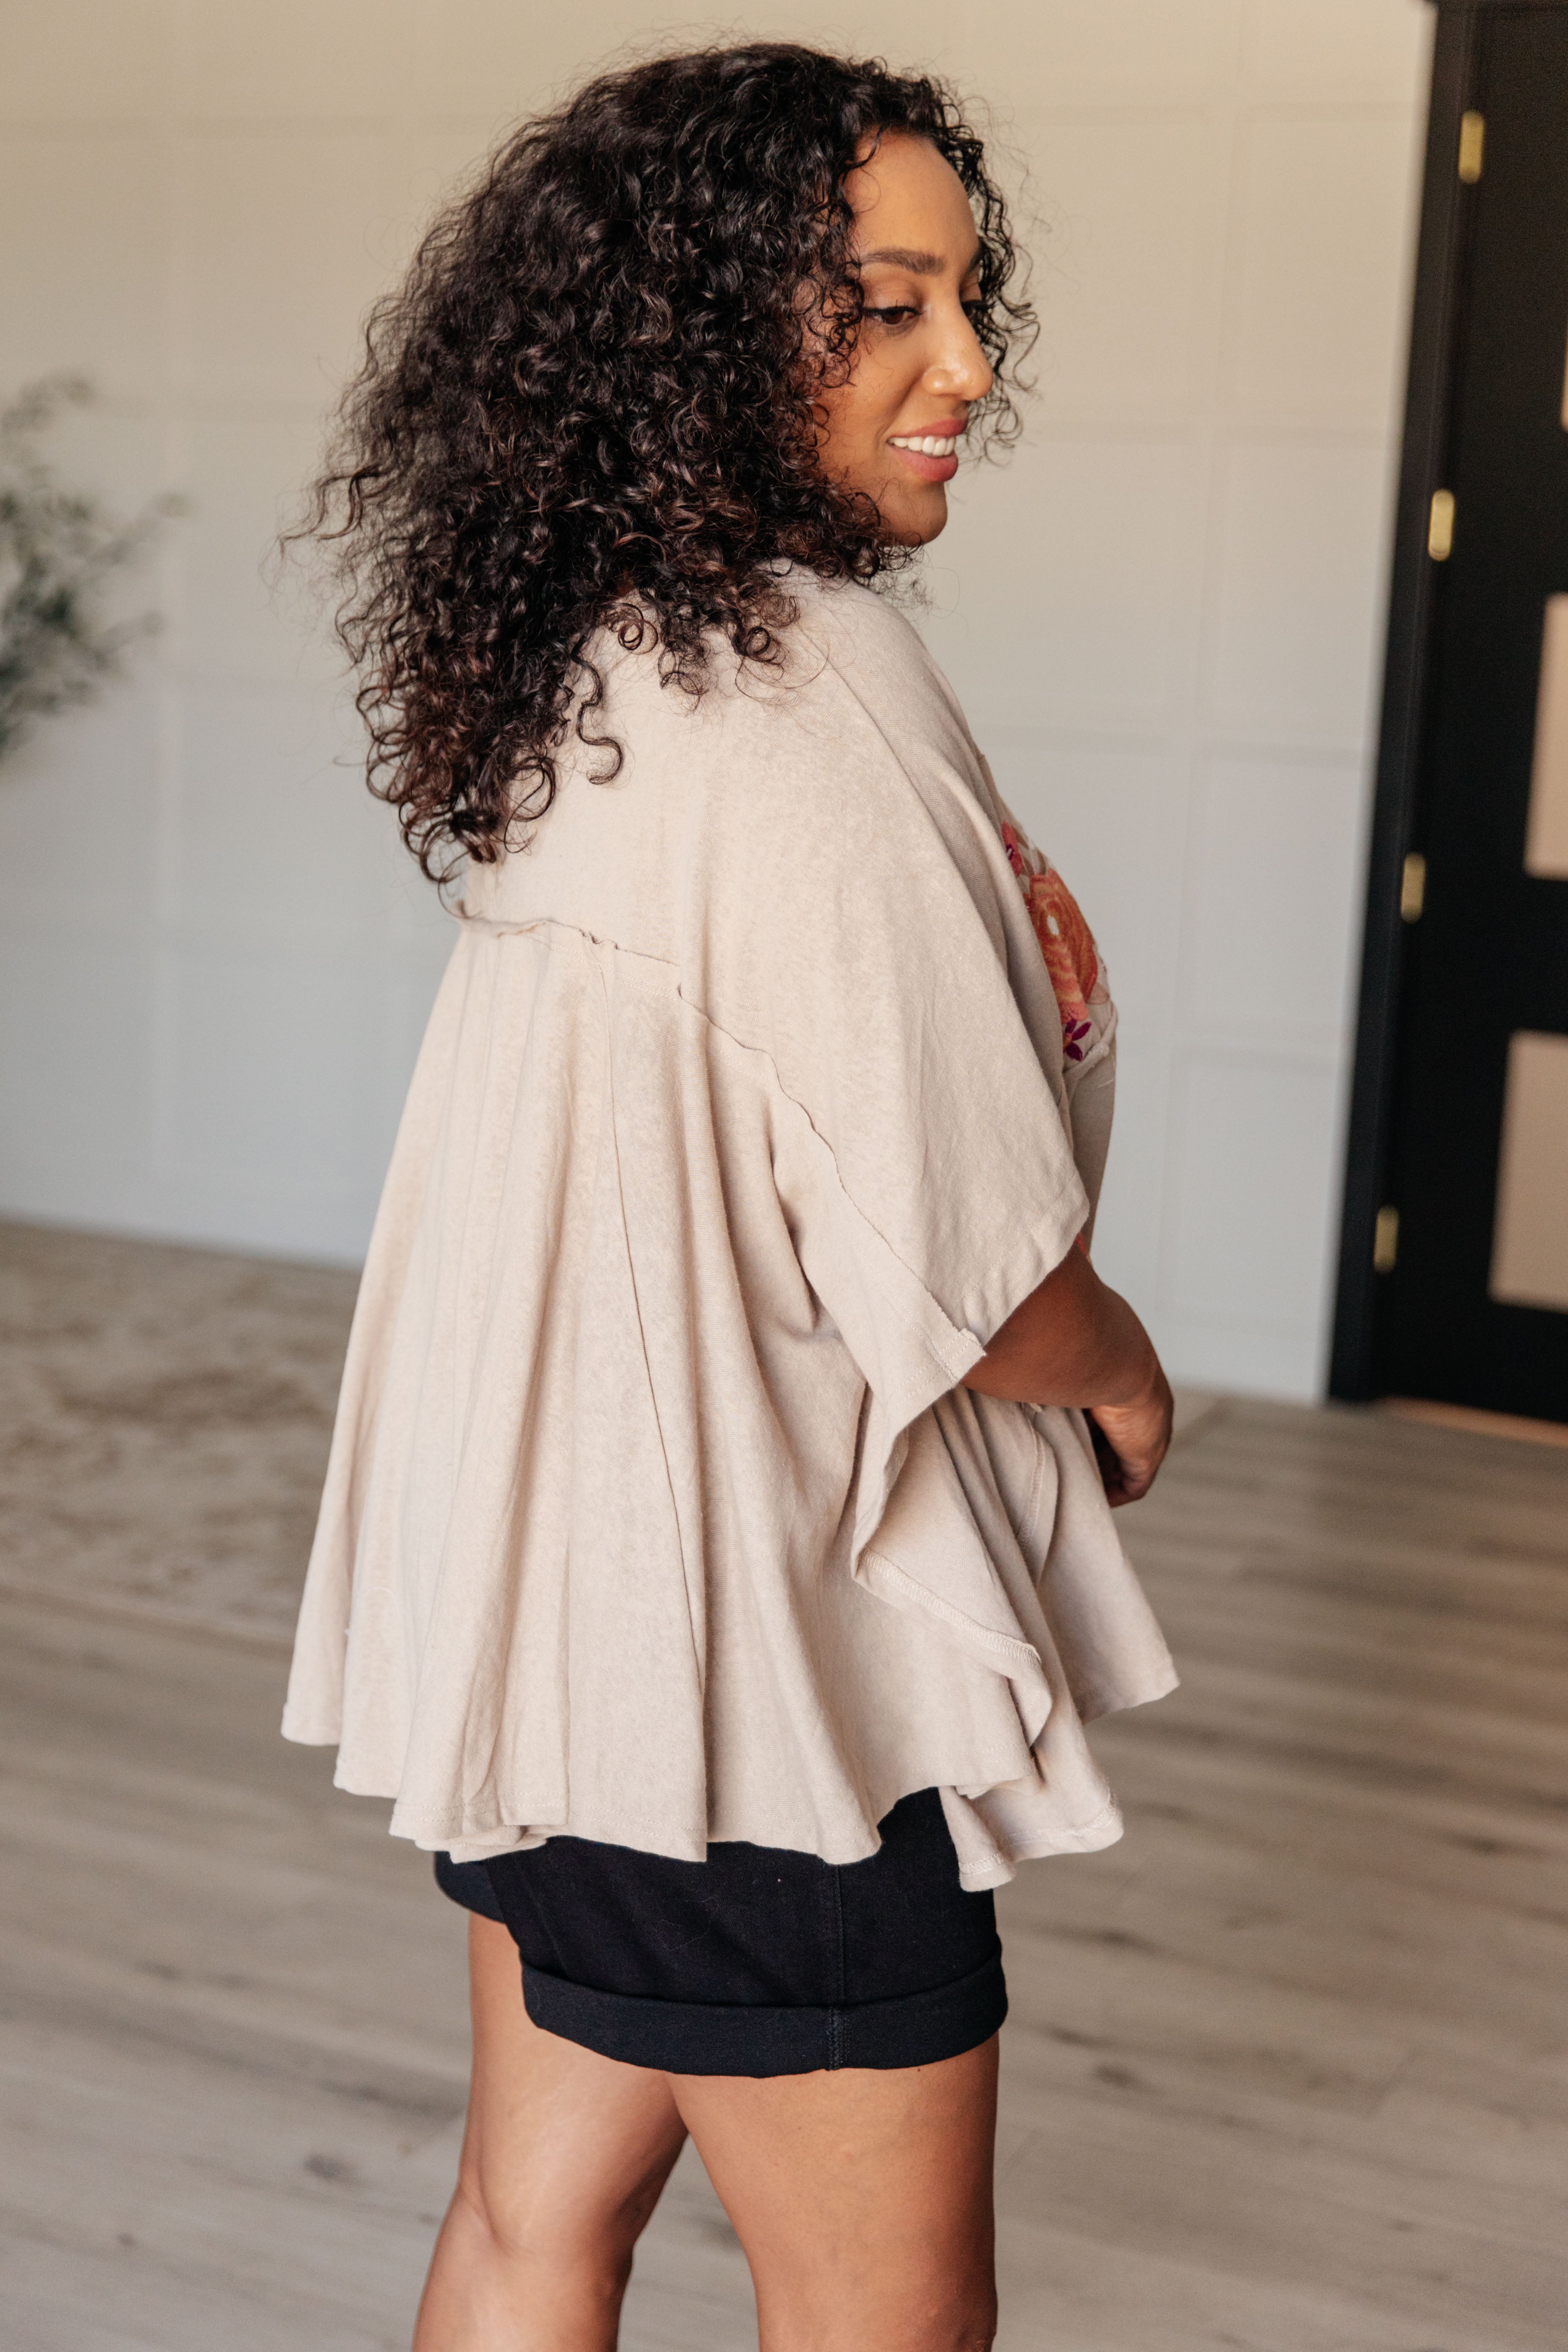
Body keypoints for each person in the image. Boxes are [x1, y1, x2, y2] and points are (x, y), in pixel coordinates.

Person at [283, 41, 1177, 2352]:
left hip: (567, 1619)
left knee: (527, 2218)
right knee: (887, 2318)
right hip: (746, 1657)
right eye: (884, 304)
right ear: (690, 339)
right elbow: (958, 1251)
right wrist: (1122, 1362)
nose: (963, 363)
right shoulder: (790, 700)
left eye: (964, 300)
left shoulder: (607, 662)